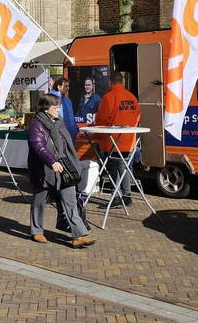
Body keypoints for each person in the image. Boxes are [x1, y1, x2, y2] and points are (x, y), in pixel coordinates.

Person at [27, 94, 96, 248]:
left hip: (64, 166)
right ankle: (36, 230)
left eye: (59, 107)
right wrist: (52, 161)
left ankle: (79, 235)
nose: (58, 110)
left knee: (70, 201)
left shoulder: (59, 121)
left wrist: (69, 160)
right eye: (55, 107)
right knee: (40, 200)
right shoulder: (36, 124)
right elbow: (37, 146)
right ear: (45, 108)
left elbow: (65, 143)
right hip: (43, 169)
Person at [93, 71, 142, 205]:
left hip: (112, 141)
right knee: (123, 166)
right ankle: (126, 195)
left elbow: (102, 119)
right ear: (122, 82)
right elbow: (138, 116)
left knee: (113, 168)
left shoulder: (108, 97)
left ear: (110, 82)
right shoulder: (132, 97)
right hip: (129, 140)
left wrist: (98, 133)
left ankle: (116, 197)